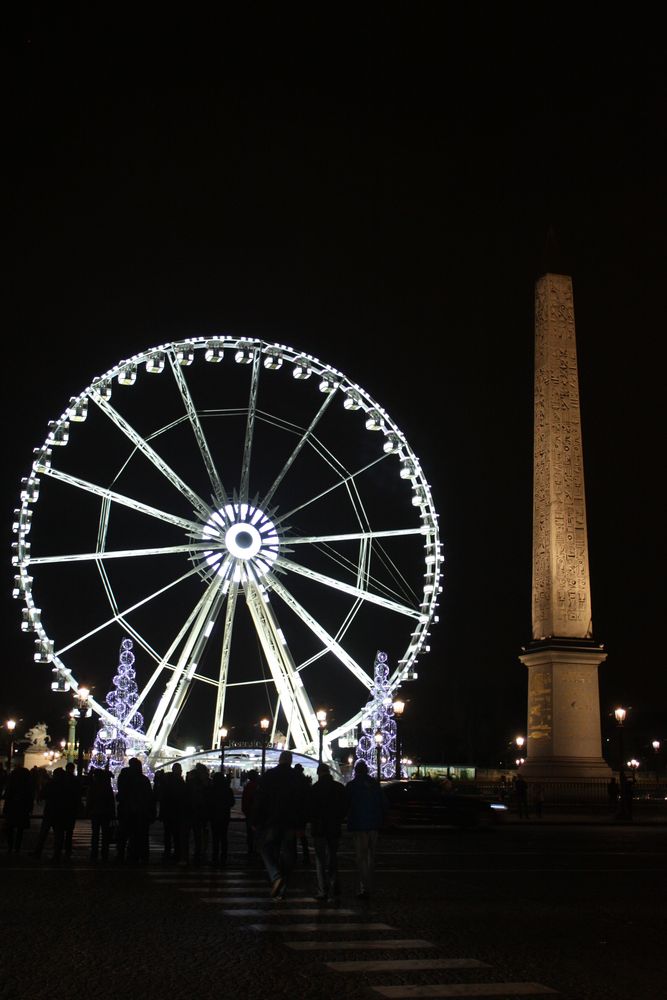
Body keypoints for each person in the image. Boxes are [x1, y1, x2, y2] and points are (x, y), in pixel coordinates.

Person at [253, 749, 308, 899]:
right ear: (290, 761)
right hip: (291, 822)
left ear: (279, 760)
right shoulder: (298, 777)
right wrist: (302, 824)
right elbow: (304, 803)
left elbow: (261, 800)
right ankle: (282, 888)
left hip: (273, 820)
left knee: (266, 848)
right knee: (289, 854)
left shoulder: (269, 776)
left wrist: (256, 820)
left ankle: (275, 876)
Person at [345, 759, 387, 899]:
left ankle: (365, 886)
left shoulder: (351, 786)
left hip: (359, 825)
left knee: (361, 857)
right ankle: (368, 883)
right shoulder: (375, 784)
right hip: (374, 825)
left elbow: (346, 804)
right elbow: (383, 803)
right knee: (370, 857)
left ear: (356, 771)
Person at [308, 763, 347, 902]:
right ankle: (334, 882)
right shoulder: (339, 788)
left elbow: (310, 810)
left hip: (319, 828)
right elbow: (344, 807)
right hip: (334, 826)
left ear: (319, 773)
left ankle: (322, 890)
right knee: (333, 856)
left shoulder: (314, 789)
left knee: (320, 859)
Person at [116, 757, 155, 864]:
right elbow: (149, 797)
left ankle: (122, 855)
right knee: (139, 836)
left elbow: (121, 794)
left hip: (127, 811)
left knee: (124, 835)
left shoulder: (125, 778)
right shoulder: (144, 780)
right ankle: (139, 855)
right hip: (140, 812)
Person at [158, 762, 189, 864]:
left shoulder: (167, 781)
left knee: (167, 834)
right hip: (177, 812)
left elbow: (162, 796)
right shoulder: (180, 782)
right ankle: (176, 853)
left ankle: (168, 852)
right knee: (176, 835)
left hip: (168, 812)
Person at [2, 766, 34, 854]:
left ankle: (10, 846)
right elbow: (30, 797)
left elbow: (7, 796)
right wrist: (30, 808)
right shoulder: (27, 785)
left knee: (10, 829)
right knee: (20, 830)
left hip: (12, 808)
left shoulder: (12, 783)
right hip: (23, 808)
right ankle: (17, 848)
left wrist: (5, 809)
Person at [86, 767, 116, 861]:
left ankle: (94, 853)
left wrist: (88, 810)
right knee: (105, 834)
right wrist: (113, 813)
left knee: (95, 834)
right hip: (106, 813)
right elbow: (111, 801)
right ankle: (104, 853)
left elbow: (90, 800)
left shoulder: (93, 786)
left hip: (96, 812)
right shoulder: (107, 787)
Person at [209, 771, 235, 867]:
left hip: (214, 816)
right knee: (224, 837)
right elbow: (232, 802)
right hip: (224, 815)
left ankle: (215, 856)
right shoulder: (227, 790)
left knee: (215, 837)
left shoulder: (212, 789)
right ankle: (224, 856)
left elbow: (209, 803)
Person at [293, 762, 312, 865]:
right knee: (302, 835)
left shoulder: (292, 781)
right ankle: (306, 855)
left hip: (294, 812)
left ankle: (294, 855)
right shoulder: (305, 782)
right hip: (302, 813)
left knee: (292, 835)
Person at [241, 769, 259, 855]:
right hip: (257, 813)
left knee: (250, 833)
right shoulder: (259, 786)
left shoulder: (248, 786)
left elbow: (245, 801)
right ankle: (256, 849)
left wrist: (245, 811)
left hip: (250, 813)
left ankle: (251, 849)